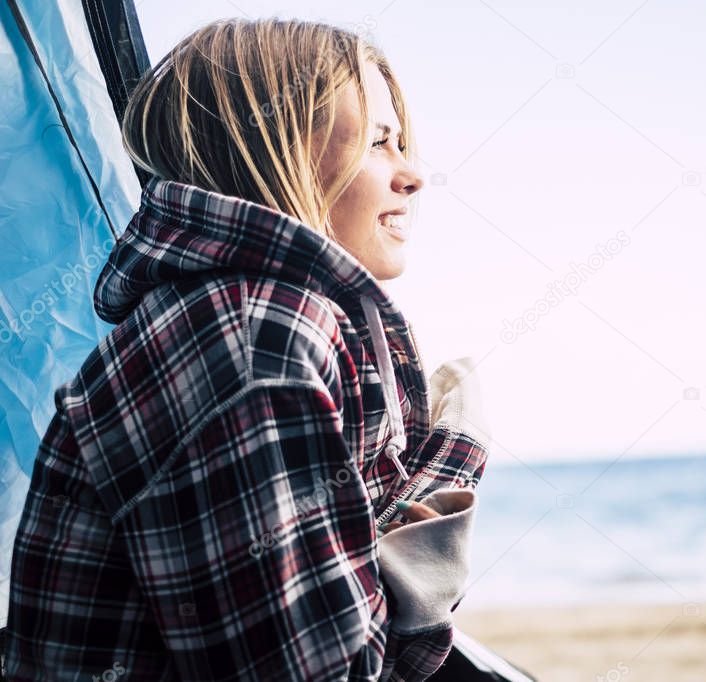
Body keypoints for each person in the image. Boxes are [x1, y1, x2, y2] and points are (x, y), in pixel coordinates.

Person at [2, 17, 490, 681]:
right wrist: (453, 462)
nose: (413, 175)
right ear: (269, 148)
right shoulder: (253, 338)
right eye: (380, 143)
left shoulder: (232, 314)